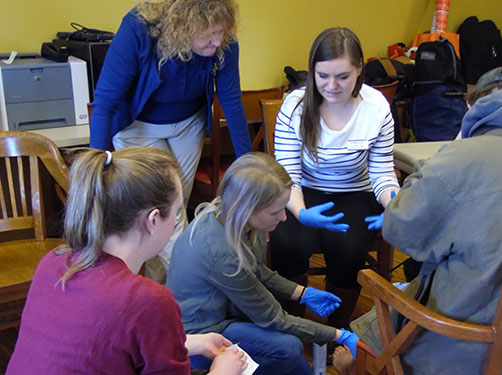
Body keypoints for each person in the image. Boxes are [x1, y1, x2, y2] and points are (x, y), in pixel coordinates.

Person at [334, 66, 502, 375]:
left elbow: (399, 228)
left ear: (471, 108)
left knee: (363, 339)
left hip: (470, 352)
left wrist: (454, 147)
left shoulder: (461, 159)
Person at [7, 147, 247, 375]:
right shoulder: (148, 299)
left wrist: (192, 342)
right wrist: (223, 370)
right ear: (153, 220)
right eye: (176, 212)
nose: (176, 220)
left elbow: (102, 342)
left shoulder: (53, 261)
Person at [90, 0, 252, 283]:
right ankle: (190, 290)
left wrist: (249, 162)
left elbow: (231, 100)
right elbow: (105, 101)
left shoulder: (222, 40)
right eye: (209, 34)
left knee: (174, 209)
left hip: (187, 125)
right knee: (167, 213)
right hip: (137, 128)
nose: (218, 42)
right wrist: (97, 164)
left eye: (222, 32)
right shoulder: (138, 27)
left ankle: (161, 291)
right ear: (182, 24)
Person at [166, 152, 360, 375]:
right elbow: (275, 318)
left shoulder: (237, 218)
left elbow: (255, 270)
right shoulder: (222, 255)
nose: (284, 218)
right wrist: (338, 334)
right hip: (201, 333)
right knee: (289, 349)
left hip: (224, 311)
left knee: (294, 358)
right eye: (276, 212)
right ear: (248, 208)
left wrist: (302, 293)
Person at [269, 27, 400, 331]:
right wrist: (300, 212)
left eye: (342, 76)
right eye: (323, 75)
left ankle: (336, 330)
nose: (332, 85)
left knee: (350, 249)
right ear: (313, 71)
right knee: (288, 244)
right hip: (302, 190)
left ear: (359, 70)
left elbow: (381, 172)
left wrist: (395, 205)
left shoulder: (376, 107)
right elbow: (287, 175)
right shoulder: (295, 107)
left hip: (355, 192)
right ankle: (295, 326)